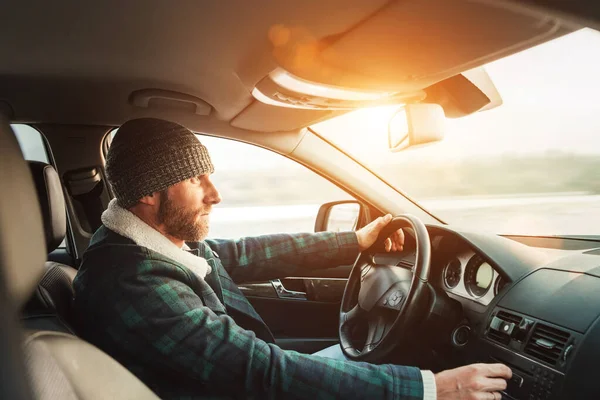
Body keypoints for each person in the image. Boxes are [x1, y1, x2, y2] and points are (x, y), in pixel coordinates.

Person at [72, 118, 511, 400]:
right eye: (194, 179)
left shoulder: (150, 243)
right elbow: (259, 372)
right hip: (242, 387)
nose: (215, 194)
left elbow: (238, 253)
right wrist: (434, 388)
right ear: (149, 192)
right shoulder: (130, 284)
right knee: (401, 371)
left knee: (365, 360)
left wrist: (353, 241)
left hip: (237, 381)